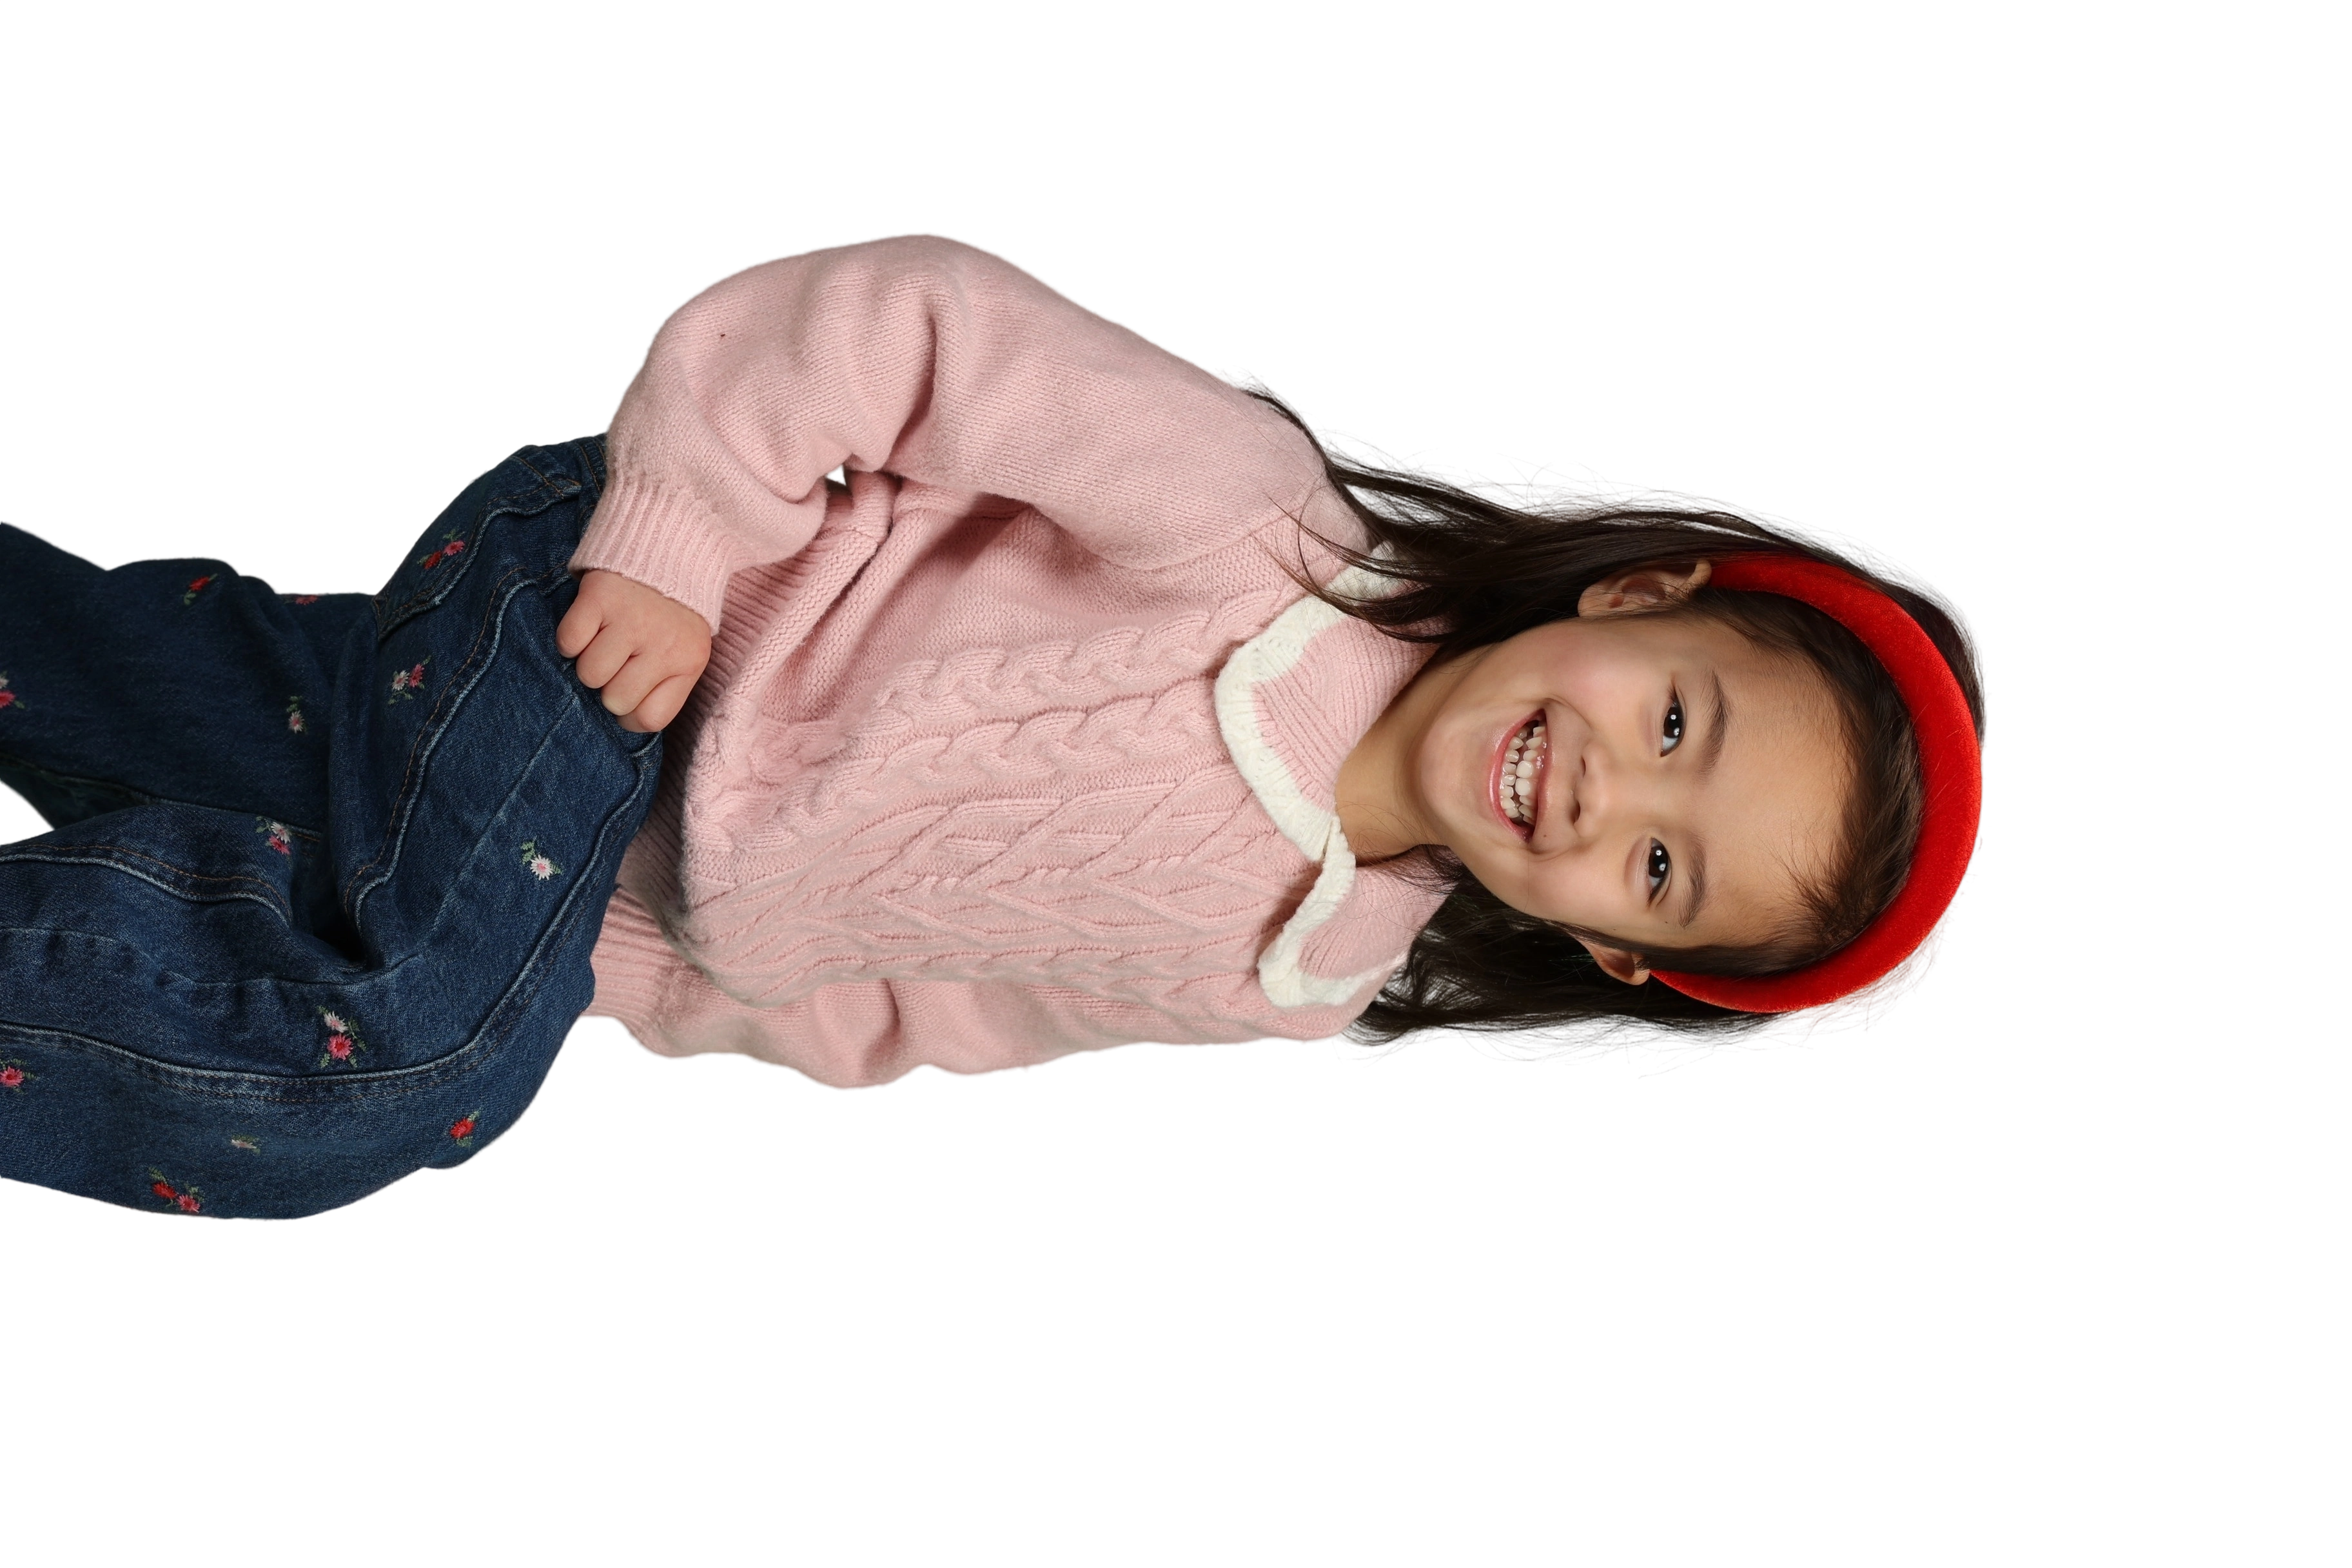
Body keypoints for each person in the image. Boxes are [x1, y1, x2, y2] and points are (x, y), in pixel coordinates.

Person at [0, 230, 1987, 1220]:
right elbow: (917, 324)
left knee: (183, 715)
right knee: (417, 1061)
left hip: (582, 859)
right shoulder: (1264, 535)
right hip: (611, 608)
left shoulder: (1301, 979)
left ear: (1614, 949)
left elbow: (939, 1010)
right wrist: (682, 532)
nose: (1610, 790)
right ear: (1641, 599)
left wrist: (649, 969)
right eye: (1676, 719)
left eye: (1664, 863)